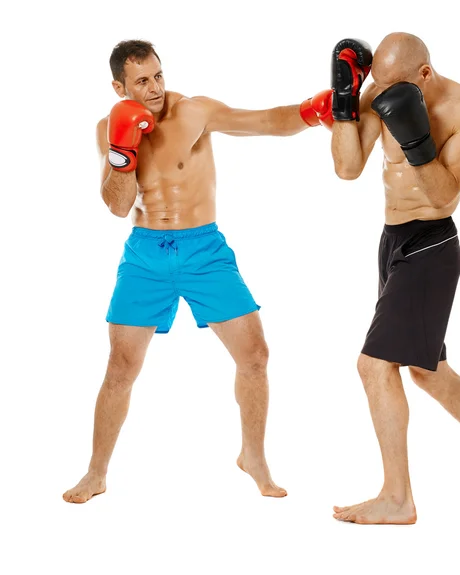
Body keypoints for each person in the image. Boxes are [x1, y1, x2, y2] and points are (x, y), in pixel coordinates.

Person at [63, 39, 326, 503]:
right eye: (142, 81)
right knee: (120, 367)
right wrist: (124, 148)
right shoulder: (108, 128)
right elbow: (117, 205)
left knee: (255, 356)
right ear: (118, 86)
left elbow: (264, 121)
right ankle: (96, 472)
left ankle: (254, 457)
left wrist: (311, 111)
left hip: (204, 249)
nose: (155, 87)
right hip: (145, 253)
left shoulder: (195, 112)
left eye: (158, 75)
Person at [323, 33, 460, 524]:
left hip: (433, 244)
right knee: (427, 371)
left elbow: (443, 197)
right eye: (376, 86)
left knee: (374, 366)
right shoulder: (378, 92)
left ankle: (398, 498)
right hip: (391, 241)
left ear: (424, 74)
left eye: (391, 88)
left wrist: (417, 140)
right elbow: (348, 169)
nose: (382, 95)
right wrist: (345, 105)